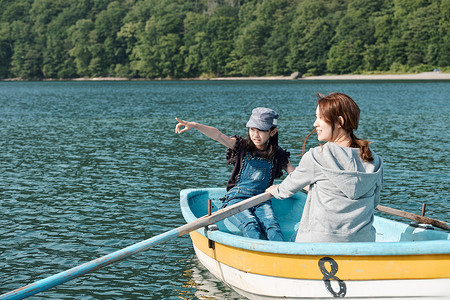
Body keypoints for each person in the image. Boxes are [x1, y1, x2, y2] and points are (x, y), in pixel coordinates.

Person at [266, 93, 383, 243]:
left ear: (339, 121)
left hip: (320, 241)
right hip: (363, 241)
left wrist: (275, 190)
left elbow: (287, 189)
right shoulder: (375, 160)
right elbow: (374, 202)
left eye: (320, 118)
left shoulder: (317, 156)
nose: (315, 123)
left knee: (291, 239)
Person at [175, 107, 294, 241]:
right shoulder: (242, 147)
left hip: (261, 200)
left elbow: (296, 177)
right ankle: (255, 256)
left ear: (272, 132)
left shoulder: (278, 155)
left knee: (272, 226)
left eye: (261, 130)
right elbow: (218, 135)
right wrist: (195, 125)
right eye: (252, 129)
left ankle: (281, 255)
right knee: (251, 225)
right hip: (236, 199)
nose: (255, 135)